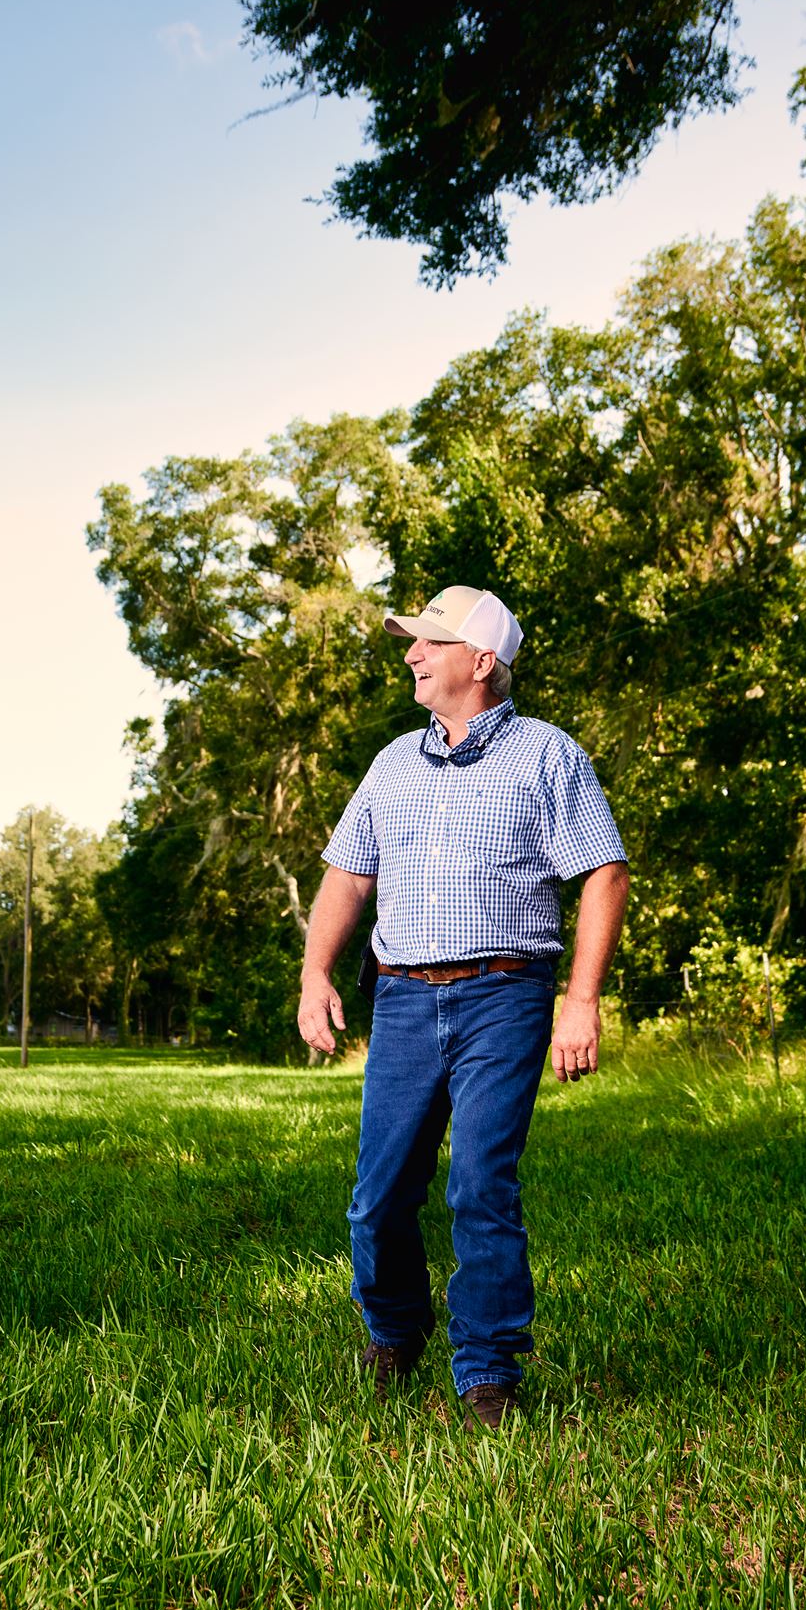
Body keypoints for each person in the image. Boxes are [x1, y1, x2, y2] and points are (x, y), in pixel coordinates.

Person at [297, 586, 630, 1428]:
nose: (411, 655)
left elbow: (602, 871)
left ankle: (486, 1371)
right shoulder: (391, 765)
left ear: (481, 663)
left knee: (481, 1184)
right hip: (403, 999)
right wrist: (315, 973)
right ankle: (395, 1332)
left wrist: (580, 1001)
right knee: (380, 1194)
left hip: (505, 994)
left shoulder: (549, 756)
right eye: (413, 643)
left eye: (430, 643)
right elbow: (348, 874)